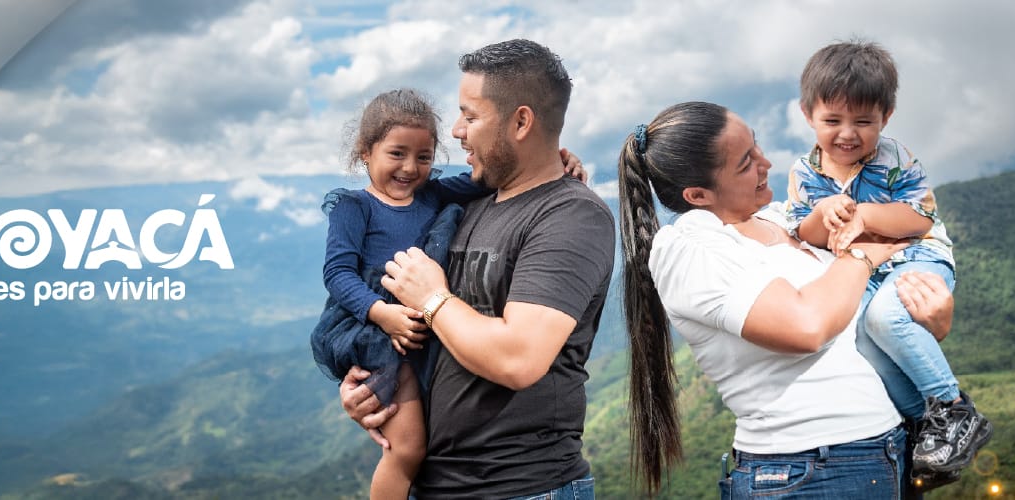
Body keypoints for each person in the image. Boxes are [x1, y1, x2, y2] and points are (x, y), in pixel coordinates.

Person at [618, 101, 957, 497]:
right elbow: (807, 326)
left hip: (887, 451)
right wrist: (861, 257)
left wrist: (930, 320)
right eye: (746, 163)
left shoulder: (783, 218)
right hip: (808, 471)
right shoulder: (691, 247)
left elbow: (865, 302)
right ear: (697, 194)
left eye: (756, 146)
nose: (767, 163)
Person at [339, 39, 615, 499]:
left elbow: (518, 359)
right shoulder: (466, 204)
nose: (456, 131)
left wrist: (432, 297)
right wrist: (372, 386)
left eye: (470, 116)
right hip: (435, 484)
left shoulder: (570, 215)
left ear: (521, 122)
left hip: (522, 488)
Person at [784, 41, 990, 478]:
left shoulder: (895, 158)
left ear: (886, 117)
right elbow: (804, 232)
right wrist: (824, 213)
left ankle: (954, 409)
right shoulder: (804, 173)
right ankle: (921, 422)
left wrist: (864, 215)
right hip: (863, 269)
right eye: (832, 121)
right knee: (856, 337)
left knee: (885, 318)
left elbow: (919, 218)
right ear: (807, 114)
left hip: (916, 255)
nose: (847, 134)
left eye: (863, 122)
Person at [309, 88, 488, 499]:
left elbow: (488, 178)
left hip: (424, 331)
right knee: (407, 450)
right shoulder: (354, 208)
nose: (410, 167)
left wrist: (558, 161)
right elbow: (337, 273)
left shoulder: (432, 195)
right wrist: (381, 313)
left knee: (433, 438)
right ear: (365, 152)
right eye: (397, 153)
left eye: (424, 156)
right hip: (378, 337)